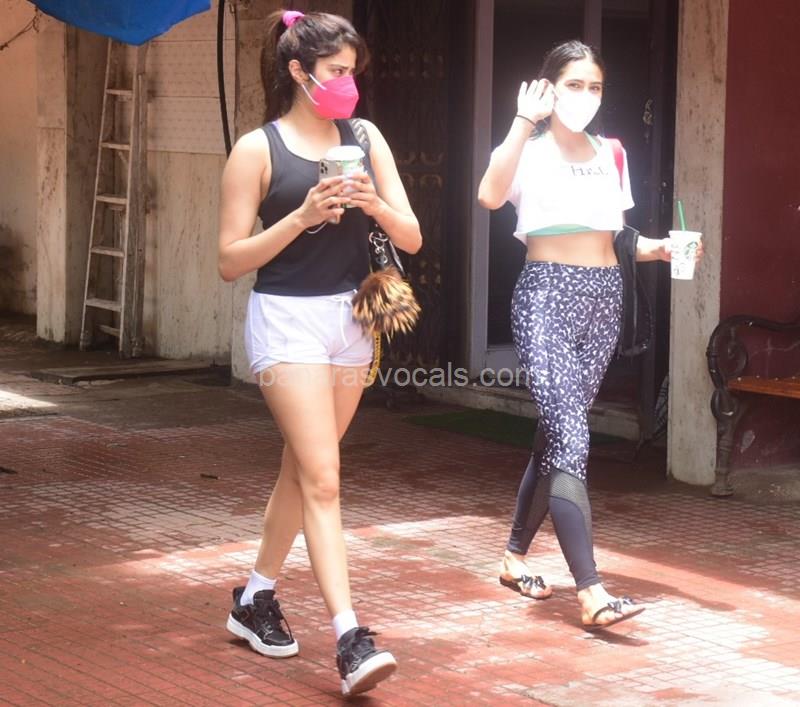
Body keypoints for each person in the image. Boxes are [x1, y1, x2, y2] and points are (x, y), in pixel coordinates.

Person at [217, 9, 421, 694]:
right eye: (335, 71)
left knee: (302, 468)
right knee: (325, 478)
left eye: (352, 71)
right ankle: (350, 637)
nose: (347, 84)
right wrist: (301, 217)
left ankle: (254, 597)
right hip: (286, 321)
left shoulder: (365, 137)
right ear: (299, 72)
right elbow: (229, 259)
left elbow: (412, 235)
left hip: (351, 318)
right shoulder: (258, 150)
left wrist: (374, 204)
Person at [478, 40, 699, 630]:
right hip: (546, 296)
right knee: (572, 436)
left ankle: (513, 556)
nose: (585, 96)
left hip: (604, 299)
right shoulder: (527, 149)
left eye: (594, 86)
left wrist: (659, 248)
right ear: (548, 88)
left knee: (556, 436)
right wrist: (522, 121)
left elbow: (614, 235)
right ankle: (591, 591)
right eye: (573, 85)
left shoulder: (613, 153)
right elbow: (489, 195)